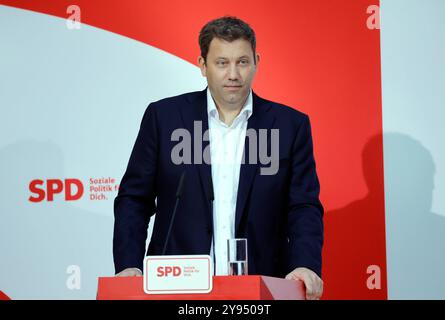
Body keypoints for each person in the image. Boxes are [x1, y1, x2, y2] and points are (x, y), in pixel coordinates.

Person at [113, 16, 324, 300]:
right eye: (222, 63)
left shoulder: (289, 125)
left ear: (257, 62)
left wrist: (305, 264)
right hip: (176, 287)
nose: (233, 74)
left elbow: (303, 206)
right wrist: (129, 265)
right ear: (203, 65)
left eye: (242, 62)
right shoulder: (165, 118)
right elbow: (134, 200)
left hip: (263, 287)